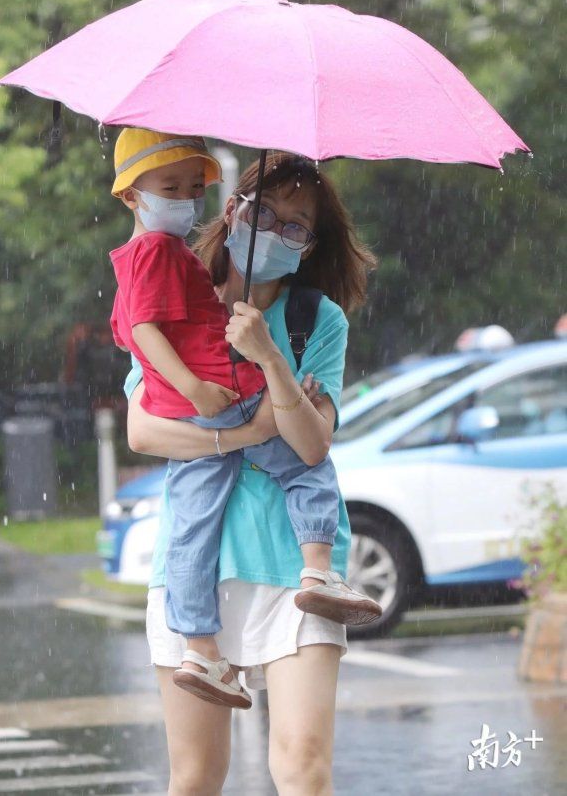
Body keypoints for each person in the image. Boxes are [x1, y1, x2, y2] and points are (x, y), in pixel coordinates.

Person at [126, 151, 377, 795]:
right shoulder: (173, 297)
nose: (275, 230)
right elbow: (144, 431)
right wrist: (242, 434)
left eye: (296, 225)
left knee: (302, 768)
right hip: (196, 569)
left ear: (310, 245)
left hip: (298, 570)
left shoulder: (317, 320)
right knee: (197, 777)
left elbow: (312, 446)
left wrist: (269, 356)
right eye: (264, 211)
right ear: (234, 210)